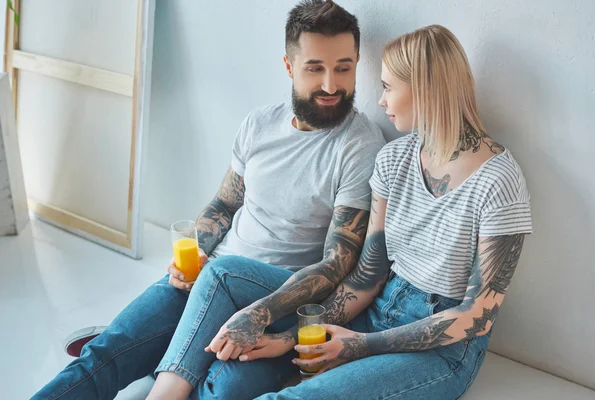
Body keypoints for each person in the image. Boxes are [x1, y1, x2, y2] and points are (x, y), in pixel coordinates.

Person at [145, 24, 533, 400]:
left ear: (425, 89)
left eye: (387, 87)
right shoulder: (394, 159)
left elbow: (477, 315)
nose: (380, 101)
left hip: (443, 346)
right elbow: (368, 276)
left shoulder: (498, 180)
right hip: (379, 309)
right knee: (237, 372)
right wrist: (288, 339)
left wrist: (361, 346)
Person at [32, 1, 385, 399]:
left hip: (275, 303)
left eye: (343, 67)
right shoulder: (258, 125)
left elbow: (337, 263)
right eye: (315, 68)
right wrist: (196, 251)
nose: (331, 85)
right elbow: (224, 205)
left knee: (221, 391)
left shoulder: (360, 145)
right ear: (289, 66)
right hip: (207, 281)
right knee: (106, 354)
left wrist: (269, 318)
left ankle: (168, 365)